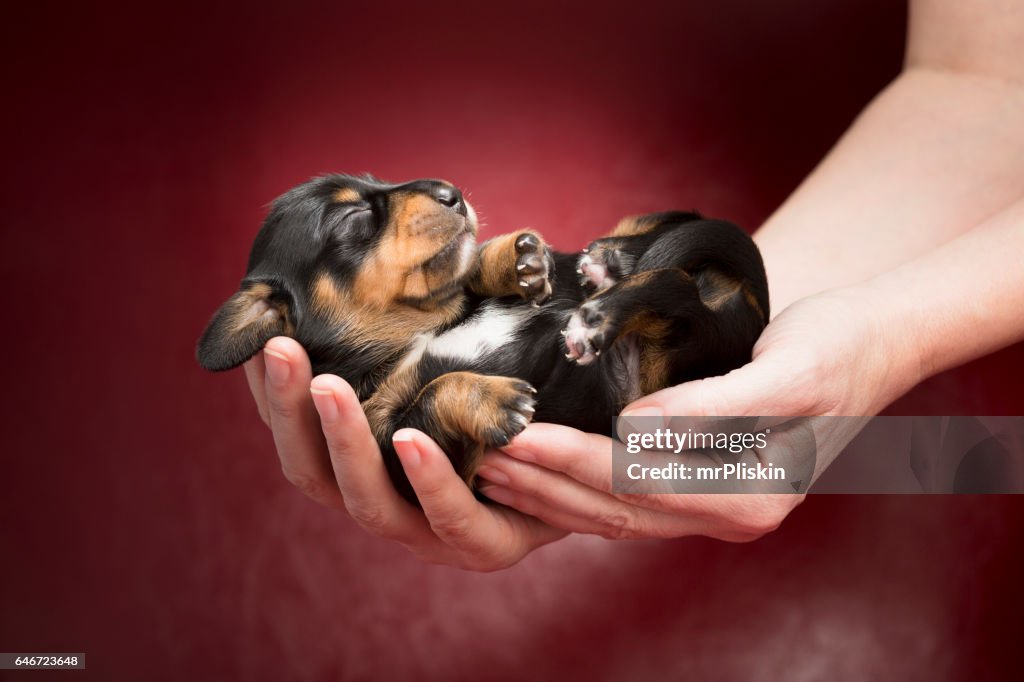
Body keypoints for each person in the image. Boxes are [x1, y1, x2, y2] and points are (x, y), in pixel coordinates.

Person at [242, 0, 1024, 571]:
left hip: (973, 454)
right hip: (933, 464)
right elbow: (982, 84)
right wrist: (787, 349)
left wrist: (894, 339)